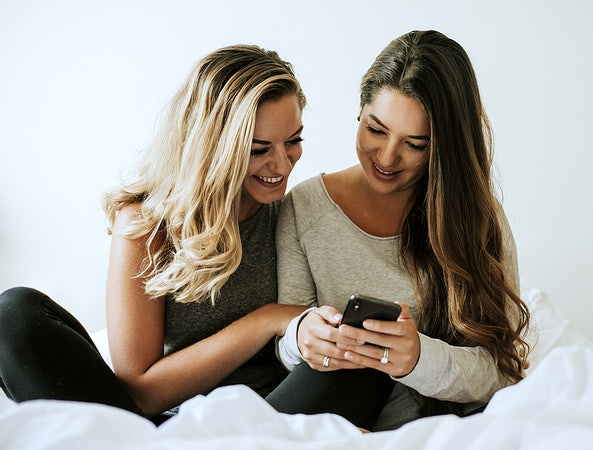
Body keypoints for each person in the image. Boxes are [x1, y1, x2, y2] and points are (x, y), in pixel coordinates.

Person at [0, 45, 383, 427]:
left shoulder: (296, 214)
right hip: (168, 419)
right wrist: (267, 319)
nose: (282, 165)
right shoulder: (145, 226)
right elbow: (141, 390)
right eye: (258, 149)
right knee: (12, 314)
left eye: (294, 141)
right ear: (213, 146)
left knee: (365, 354)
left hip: (272, 413)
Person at [275, 30, 531, 431]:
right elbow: (284, 350)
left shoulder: (478, 220)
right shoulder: (304, 207)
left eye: (415, 144)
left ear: (444, 147)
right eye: (376, 130)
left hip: (432, 427)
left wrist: (415, 358)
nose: (388, 157)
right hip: (333, 416)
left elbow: (502, 370)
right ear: (359, 112)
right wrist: (300, 335)